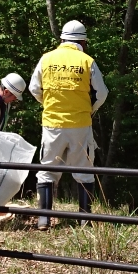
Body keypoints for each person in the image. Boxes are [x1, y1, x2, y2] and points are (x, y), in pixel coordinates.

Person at [29, 20, 109, 230]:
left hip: (52, 124)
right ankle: (84, 220)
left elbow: (34, 88)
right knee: (84, 171)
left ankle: (44, 219)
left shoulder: (46, 59)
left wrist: (47, 103)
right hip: (80, 124)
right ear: (82, 41)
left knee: (47, 170)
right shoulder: (87, 60)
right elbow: (102, 93)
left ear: (62, 39)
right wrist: (90, 109)